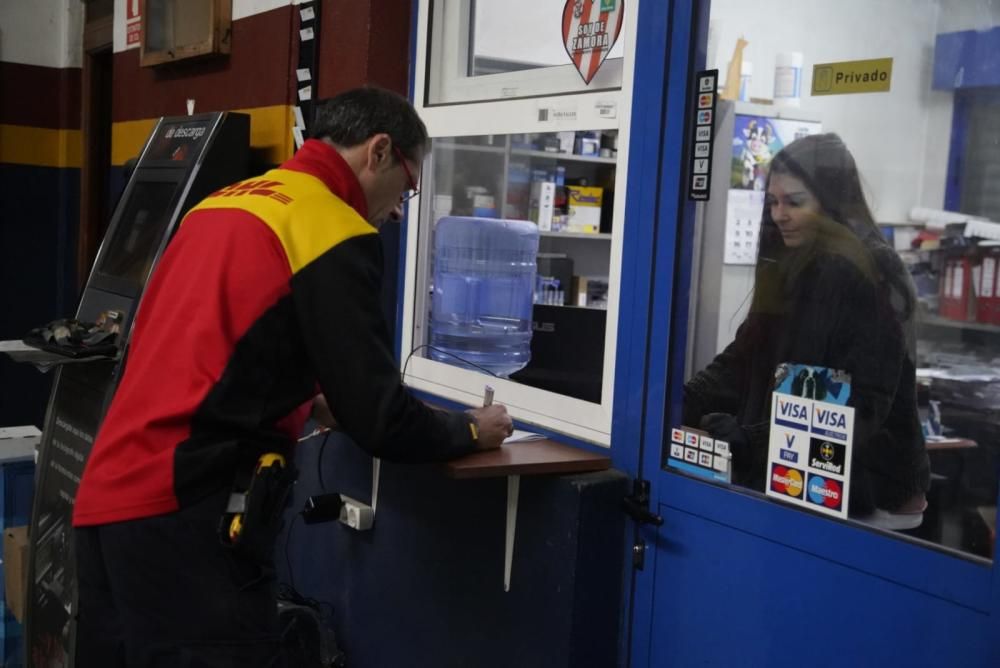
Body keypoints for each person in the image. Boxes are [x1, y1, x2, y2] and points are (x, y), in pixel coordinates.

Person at [71, 87, 513, 667]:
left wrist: (304, 398)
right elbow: (379, 419)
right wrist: (472, 431)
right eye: (407, 184)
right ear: (378, 151)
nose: (400, 209)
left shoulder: (222, 204)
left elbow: (207, 347)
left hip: (107, 502)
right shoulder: (331, 226)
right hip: (188, 516)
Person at [684, 133, 930, 525]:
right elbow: (745, 357)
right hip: (798, 478)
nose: (779, 214)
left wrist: (755, 442)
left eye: (794, 202)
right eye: (773, 202)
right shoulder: (794, 264)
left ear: (830, 202)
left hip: (868, 494)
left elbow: (863, 402)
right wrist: (684, 399)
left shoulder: (870, 269)